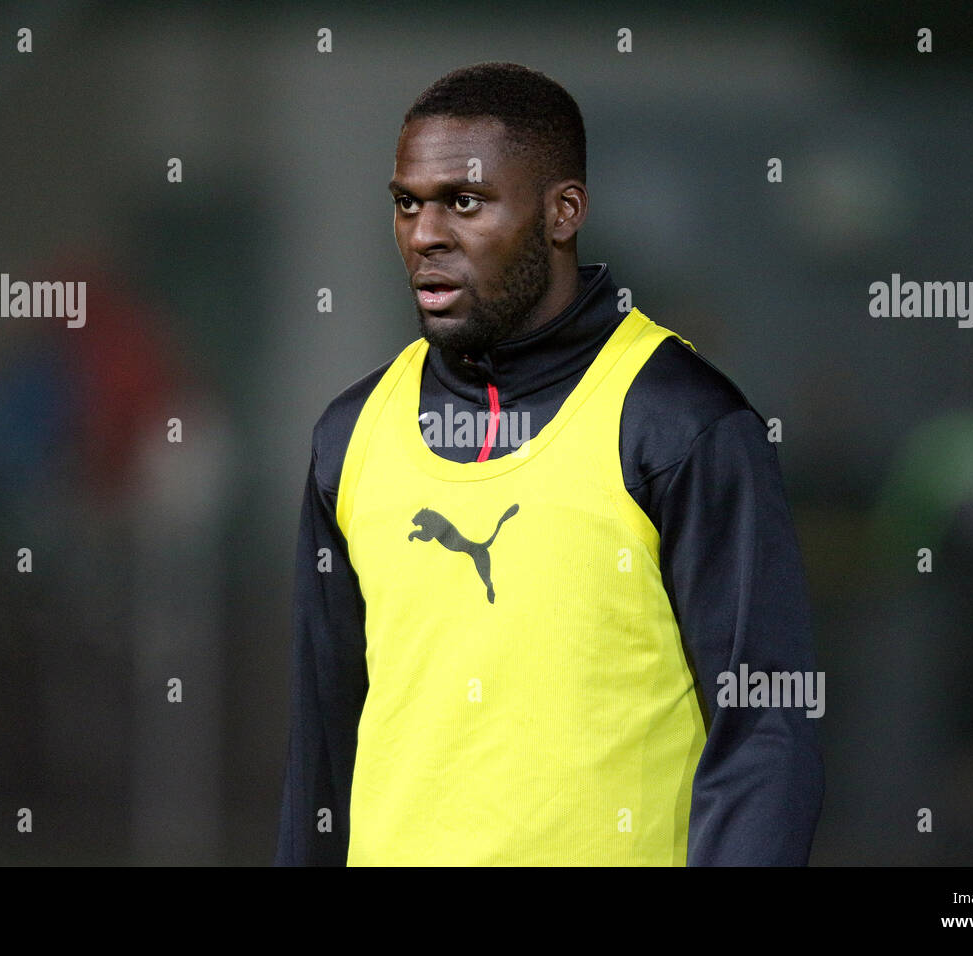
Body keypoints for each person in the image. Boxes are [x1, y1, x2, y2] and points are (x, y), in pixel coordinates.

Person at [275, 61, 823, 865]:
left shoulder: (678, 421)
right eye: (407, 204)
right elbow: (321, 752)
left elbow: (765, 735)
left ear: (563, 211)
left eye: (464, 202)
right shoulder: (349, 435)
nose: (425, 234)